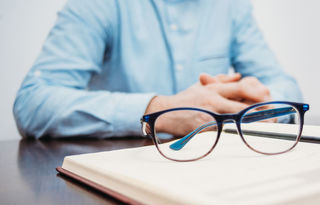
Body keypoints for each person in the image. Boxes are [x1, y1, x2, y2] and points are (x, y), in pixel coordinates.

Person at [13, 0, 302, 139]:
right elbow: (33, 104)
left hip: (216, 169)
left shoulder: (231, 7)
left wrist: (257, 105)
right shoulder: (98, 5)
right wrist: (162, 110)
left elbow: (285, 87)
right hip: (121, 177)